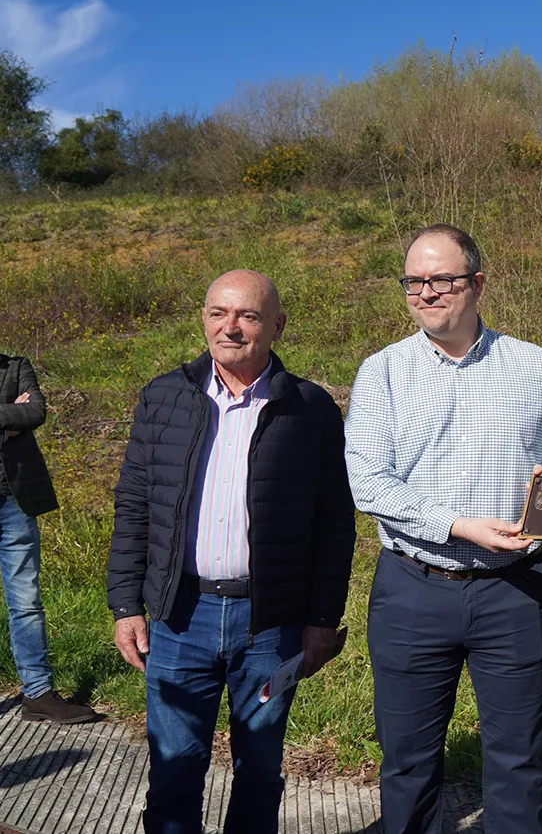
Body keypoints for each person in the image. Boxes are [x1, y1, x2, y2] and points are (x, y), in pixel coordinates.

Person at [345, 223, 542, 834]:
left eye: (442, 279)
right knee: (407, 759)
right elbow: (368, 484)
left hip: (513, 590)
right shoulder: (381, 373)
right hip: (413, 588)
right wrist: (458, 526)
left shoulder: (533, 366)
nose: (426, 293)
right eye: (413, 282)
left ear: (477, 284)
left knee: (519, 757)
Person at [107, 270, 356, 834]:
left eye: (247, 315)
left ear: (276, 325)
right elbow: (134, 507)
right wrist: (126, 605)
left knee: (261, 772)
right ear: (204, 318)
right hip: (179, 618)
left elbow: (335, 523)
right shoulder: (165, 397)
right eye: (219, 313)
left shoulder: (309, 408)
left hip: (269, 625)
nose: (231, 327)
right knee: (173, 771)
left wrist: (321, 620)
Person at [0, 298, 100, 724]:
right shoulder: (14, 378)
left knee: (26, 600)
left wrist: (16, 416)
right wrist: (6, 421)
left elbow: (34, 411)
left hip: (11, 497)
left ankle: (37, 692)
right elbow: (18, 416)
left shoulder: (16, 366)